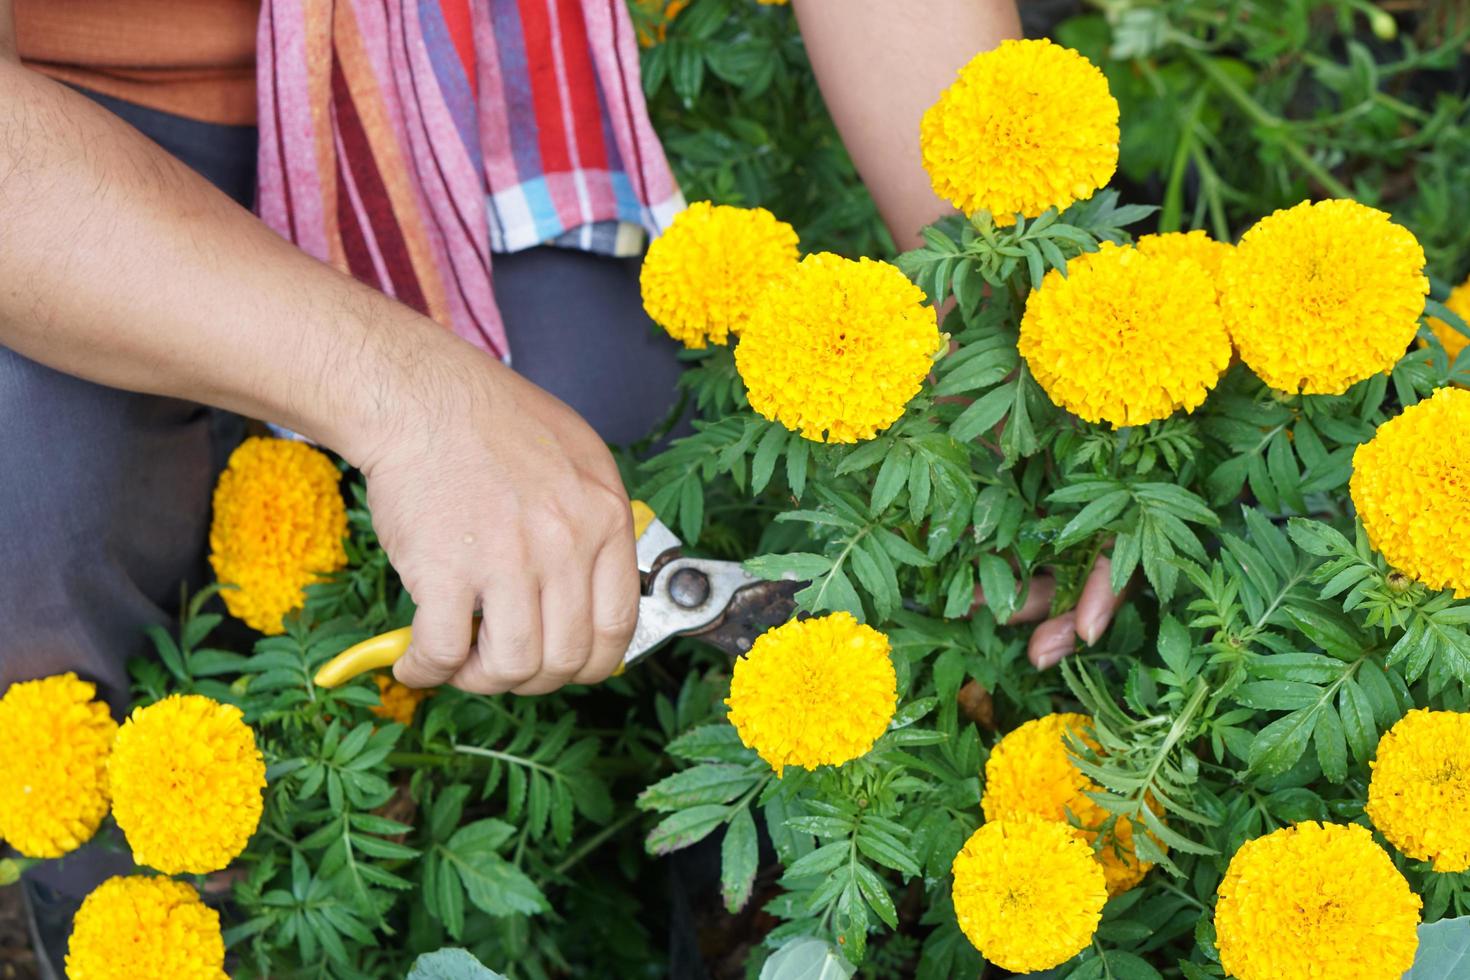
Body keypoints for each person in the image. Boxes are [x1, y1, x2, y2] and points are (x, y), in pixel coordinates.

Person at [0, 0, 1121, 969]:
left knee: (619, 413)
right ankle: (138, 893)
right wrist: (418, 408)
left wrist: (1018, 367)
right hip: (50, 118)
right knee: (35, 501)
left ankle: (509, 823)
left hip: (438, 65)